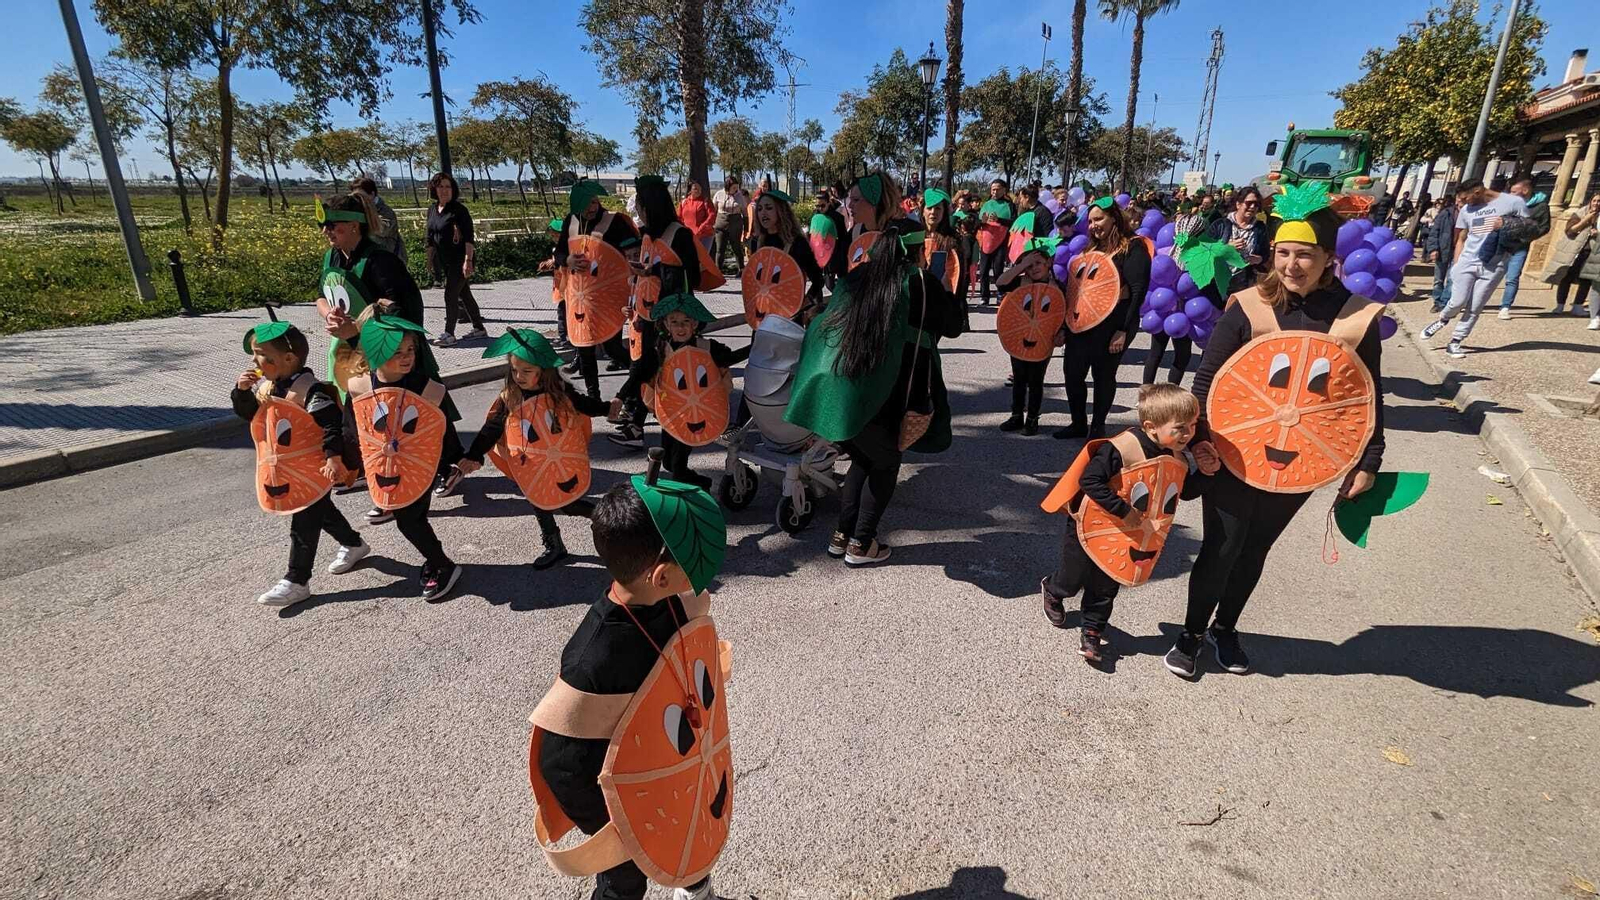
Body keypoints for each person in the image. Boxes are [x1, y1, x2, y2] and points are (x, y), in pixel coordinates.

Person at [1165, 182, 1387, 678]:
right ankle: (1192, 633)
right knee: (1222, 546)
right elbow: (1208, 381)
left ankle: (1226, 629)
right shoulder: (1249, 306)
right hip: (1233, 452)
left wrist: (1368, 462)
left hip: (1301, 458)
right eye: (1283, 252)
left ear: (1328, 256)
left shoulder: (1355, 318)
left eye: (1304, 254)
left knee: (1255, 548)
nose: (1291, 264)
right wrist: (1198, 443)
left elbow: (1366, 396)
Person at [528, 470, 727, 900]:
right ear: (659, 576)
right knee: (625, 883)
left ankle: (695, 885)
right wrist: (617, 828)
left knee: (690, 830)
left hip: (677, 762)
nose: (698, 575)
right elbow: (560, 765)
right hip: (627, 789)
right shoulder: (593, 660)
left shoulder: (674, 603)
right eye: (687, 564)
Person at [786, 172, 963, 566]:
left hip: (844, 394)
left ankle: (840, 537)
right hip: (893, 396)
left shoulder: (859, 277)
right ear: (917, 251)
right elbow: (953, 326)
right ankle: (862, 543)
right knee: (884, 463)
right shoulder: (919, 282)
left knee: (864, 459)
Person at [313, 192, 465, 516]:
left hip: (389, 353)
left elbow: (400, 310)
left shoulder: (380, 262)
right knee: (368, 417)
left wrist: (357, 328)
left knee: (418, 408)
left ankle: (449, 464)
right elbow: (320, 296)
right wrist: (328, 314)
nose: (327, 231)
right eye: (324, 225)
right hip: (351, 355)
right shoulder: (333, 258)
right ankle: (379, 477)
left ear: (355, 227)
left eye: (334, 226)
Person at [1040, 383, 1209, 663]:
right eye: (1180, 428)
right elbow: (1089, 481)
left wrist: (1205, 473)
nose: (1188, 434)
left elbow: (1185, 490)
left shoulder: (1176, 455)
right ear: (1151, 426)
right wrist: (1124, 511)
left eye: (1192, 426)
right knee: (1074, 577)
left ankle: (1092, 631)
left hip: (1128, 534)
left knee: (1107, 583)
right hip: (1092, 526)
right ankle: (1053, 590)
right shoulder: (1121, 449)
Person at [234, 322, 368, 608]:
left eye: (260, 354)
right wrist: (242, 392)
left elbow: (331, 424)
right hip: (288, 471)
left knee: (304, 523)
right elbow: (250, 415)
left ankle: (297, 580)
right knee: (322, 511)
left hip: (314, 469)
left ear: (288, 359)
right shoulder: (268, 387)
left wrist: (333, 458)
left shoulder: (310, 391)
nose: (254, 361)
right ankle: (355, 544)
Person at [455, 328, 610, 569]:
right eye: (514, 370)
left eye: (527, 371)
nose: (519, 376)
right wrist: (473, 455)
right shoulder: (511, 398)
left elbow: (584, 405)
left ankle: (606, 515)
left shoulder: (558, 393)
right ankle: (554, 544)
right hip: (532, 464)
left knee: (568, 503)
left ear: (543, 371)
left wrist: (607, 408)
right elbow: (491, 429)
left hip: (557, 460)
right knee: (538, 500)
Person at [346, 316, 464, 602]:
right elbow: (354, 428)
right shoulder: (360, 387)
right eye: (396, 352)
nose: (406, 357)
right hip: (384, 466)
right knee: (412, 519)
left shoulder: (427, 389)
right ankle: (436, 559)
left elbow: (442, 428)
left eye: (410, 350)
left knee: (408, 520)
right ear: (376, 353)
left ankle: (442, 564)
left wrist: (457, 461)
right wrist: (346, 462)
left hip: (418, 466)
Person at [610, 174, 710, 450]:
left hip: (672, 318)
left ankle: (635, 420)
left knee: (651, 368)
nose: (638, 211)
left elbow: (692, 277)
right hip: (645, 315)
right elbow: (643, 274)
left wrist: (655, 271)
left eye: (640, 206)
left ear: (651, 205)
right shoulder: (646, 235)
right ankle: (635, 421)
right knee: (648, 369)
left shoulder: (679, 235)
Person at [613, 292, 747, 489]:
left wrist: (758, 345)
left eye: (686, 321)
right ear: (666, 325)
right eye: (674, 322)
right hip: (671, 413)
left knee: (677, 466)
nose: (680, 326)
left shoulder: (706, 347)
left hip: (696, 414)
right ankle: (702, 482)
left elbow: (730, 358)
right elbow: (639, 374)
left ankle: (696, 496)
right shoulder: (660, 349)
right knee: (668, 462)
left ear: (694, 324)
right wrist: (619, 398)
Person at [1054, 197, 1150, 439]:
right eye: (1090, 221)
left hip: (1114, 324)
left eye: (1099, 219)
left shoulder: (1133, 247)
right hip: (1082, 323)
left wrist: (1124, 330)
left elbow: (1137, 291)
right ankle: (1078, 423)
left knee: (1103, 374)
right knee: (1072, 372)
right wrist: (1066, 324)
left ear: (1114, 218)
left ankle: (1098, 426)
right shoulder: (1091, 250)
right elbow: (1076, 289)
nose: (1093, 225)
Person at [1419, 177, 1529, 358]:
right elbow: (1461, 238)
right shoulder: (1466, 211)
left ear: (1477, 192)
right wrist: (1456, 264)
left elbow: (1527, 229)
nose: (1461, 203)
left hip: (1495, 264)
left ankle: (1455, 341)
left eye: (1465, 199)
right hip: (1468, 261)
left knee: (1475, 306)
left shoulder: (1513, 203)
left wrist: (1512, 246)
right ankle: (1443, 319)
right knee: (1457, 301)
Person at [552, 178, 637, 400]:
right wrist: (567, 260)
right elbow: (559, 253)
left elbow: (633, 249)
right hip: (579, 297)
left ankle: (644, 378)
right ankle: (594, 398)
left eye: (594, 202)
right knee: (584, 347)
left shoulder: (614, 221)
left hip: (608, 297)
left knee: (612, 348)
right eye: (586, 204)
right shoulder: (569, 221)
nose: (591, 208)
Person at [995, 238, 1066, 434]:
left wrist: (1063, 332)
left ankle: (1032, 418)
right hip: (1019, 337)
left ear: (1049, 263)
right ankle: (1016, 415)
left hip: (1043, 338)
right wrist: (1022, 266)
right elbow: (1000, 282)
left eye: (1038, 263)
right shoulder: (1020, 281)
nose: (1034, 268)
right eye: (1030, 264)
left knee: (1036, 379)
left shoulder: (1058, 287)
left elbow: (1064, 312)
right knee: (1019, 377)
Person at [424, 172, 487, 347]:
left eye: (448, 186)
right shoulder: (432, 210)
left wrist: (468, 261)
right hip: (444, 261)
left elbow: (469, 238)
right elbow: (430, 237)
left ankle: (449, 333)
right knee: (464, 293)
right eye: (441, 186)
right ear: (434, 189)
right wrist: (429, 260)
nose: (444, 190)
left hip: (460, 260)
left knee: (450, 294)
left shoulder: (459, 211)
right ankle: (479, 328)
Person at [750, 187, 827, 319]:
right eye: (760, 209)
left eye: (769, 208)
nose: (763, 213)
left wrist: (805, 300)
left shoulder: (797, 243)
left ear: (781, 211)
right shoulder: (756, 242)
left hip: (789, 318)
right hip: (763, 316)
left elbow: (818, 279)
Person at [1495, 175, 1550, 319]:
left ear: (1525, 191)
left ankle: (1505, 307)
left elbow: (1544, 227)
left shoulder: (1541, 207)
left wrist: (1525, 237)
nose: (1511, 194)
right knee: (1486, 273)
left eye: (1514, 192)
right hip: (1501, 242)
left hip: (1519, 246)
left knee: (1512, 277)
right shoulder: (1509, 203)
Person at [1542, 193, 1598, 318]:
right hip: (1574, 250)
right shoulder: (1580, 212)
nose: (1596, 203)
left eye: (1599, 201)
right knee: (1566, 277)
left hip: (1591, 251)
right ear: (1590, 201)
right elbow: (1571, 230)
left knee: (1586, 279)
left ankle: (1578, 306)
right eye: (1594, 200)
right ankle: (1560, 304)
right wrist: (1587, 218)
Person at [977, 179, 1017, 305]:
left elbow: (1014, 222)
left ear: (1004, 190)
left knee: (998, 270)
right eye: (993, 189)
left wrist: (998, 220)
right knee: (983, 271)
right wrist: (981, 222)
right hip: (986, 242)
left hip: (1001, 241)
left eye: (997, 189)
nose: (994, 191)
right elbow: (978, 222)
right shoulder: (986, 204)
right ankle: (985, 296)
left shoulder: (1009, 205)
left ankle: (1000, 293)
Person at [352, 175, 405, 262]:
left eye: (361, 196)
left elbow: (383, 230)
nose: (359, 200)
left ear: (372, 194)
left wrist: (364, 221)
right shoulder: (359, 210)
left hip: (388, 259)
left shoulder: (385, 211)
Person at [1424, 195, 1457, 313]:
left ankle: (1444, 302)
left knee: (1452, 279)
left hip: (1458, 251)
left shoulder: (1469, 214)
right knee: (1438, 279)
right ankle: (1437, 301)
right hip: (1442, 250)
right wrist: (1433, 249)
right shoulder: (1445, 214)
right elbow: (1434, 232)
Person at [711, 177, 749, 273]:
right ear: (728, 186)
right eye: (734, 187)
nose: (736, 189)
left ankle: (741, 269)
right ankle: (718, 271)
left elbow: (745, 213)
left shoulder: (740, 196)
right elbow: (713, 211)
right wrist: (711, 224)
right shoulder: (719, 194)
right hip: (721, 225)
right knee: (720, 249)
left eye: (737, 187)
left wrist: (746, 228)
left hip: (735, 225)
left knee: (736, 247)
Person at [678, 180, 716, 252]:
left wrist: (701, 228)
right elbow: (679, 218)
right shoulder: (684, 202)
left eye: (699, 189)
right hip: (689, 236)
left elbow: (712, 216)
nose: (698, 191)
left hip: (704, 235)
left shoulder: (705, 201)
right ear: (690, 190)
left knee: (702, 258)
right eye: (695, 188)